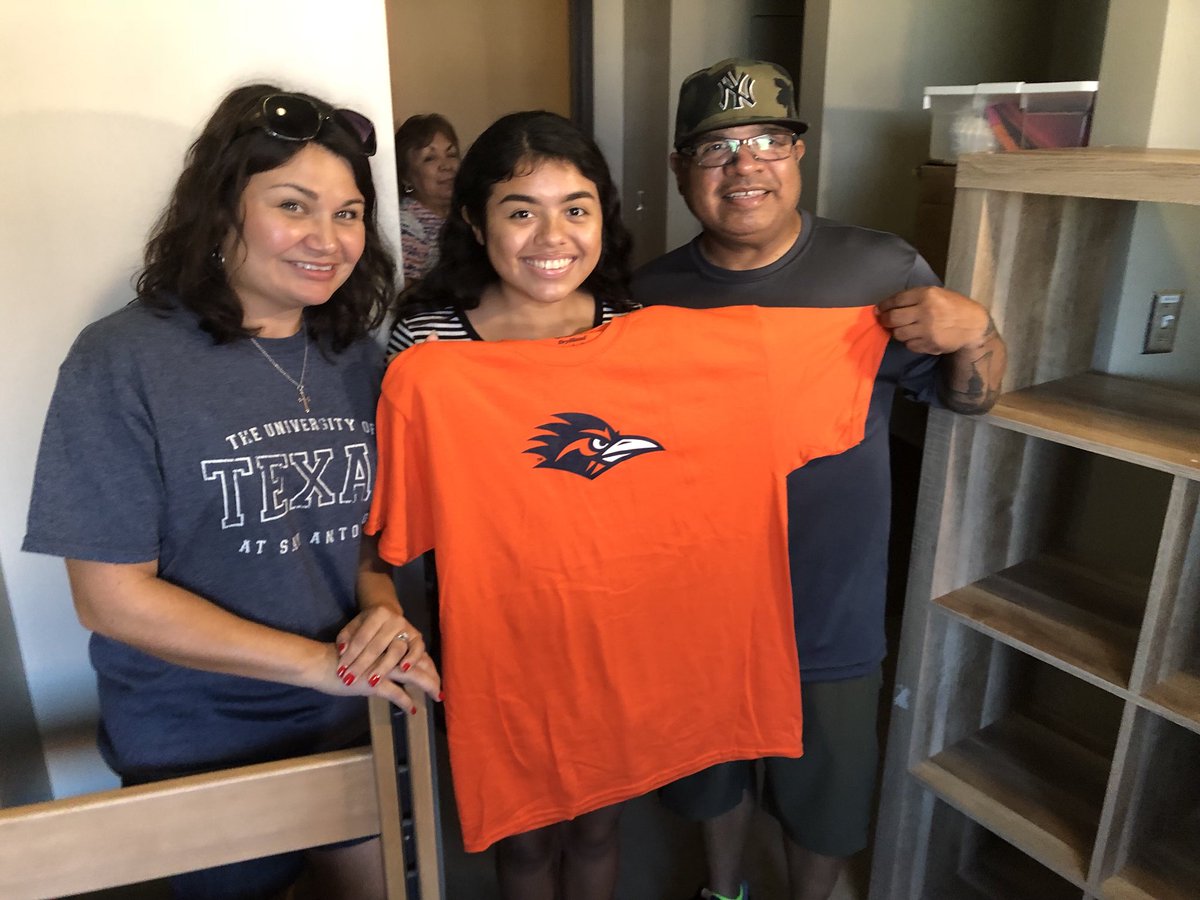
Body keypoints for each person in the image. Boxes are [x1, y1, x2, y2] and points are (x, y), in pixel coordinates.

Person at [367, 110, 891, 900]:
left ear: (601, 218)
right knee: (523, 840)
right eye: (521, 211)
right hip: (504, 645)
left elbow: (789, 380)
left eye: (575, 209)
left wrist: (929, 324)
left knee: (599, 826)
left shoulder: (650, 337)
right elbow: (392, 521)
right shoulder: (429, 358)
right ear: (475, 222)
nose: (552, 236)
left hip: (622, 639)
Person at [23, 84, 441, 900]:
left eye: (349, 213)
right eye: (294, 205)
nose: (328, 239)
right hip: (197, 739)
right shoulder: (123, 360)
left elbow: (356, 539)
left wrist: (381, 610)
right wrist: (318, 665)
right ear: (222, 210)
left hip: (346, 718)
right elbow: (111, 599)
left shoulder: (354, 356)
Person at [632, 58, 1008, 900]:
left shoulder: (878, 268)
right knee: (710, 777)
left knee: (827, 803)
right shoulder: (649, 296)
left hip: (830, 605)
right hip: (695, 603)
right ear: (681, 168)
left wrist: (976, 331)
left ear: (798, 152)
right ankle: (723, 891)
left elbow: (971, 399)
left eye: (768, 139)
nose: (745, 165)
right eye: (717, 148)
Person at [394, 113, 461, 289]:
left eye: (451, 154)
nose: (447, 166)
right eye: (429, 158)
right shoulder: (408, 224)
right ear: (406, 176)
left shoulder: (462, 212)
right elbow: (404, 294)